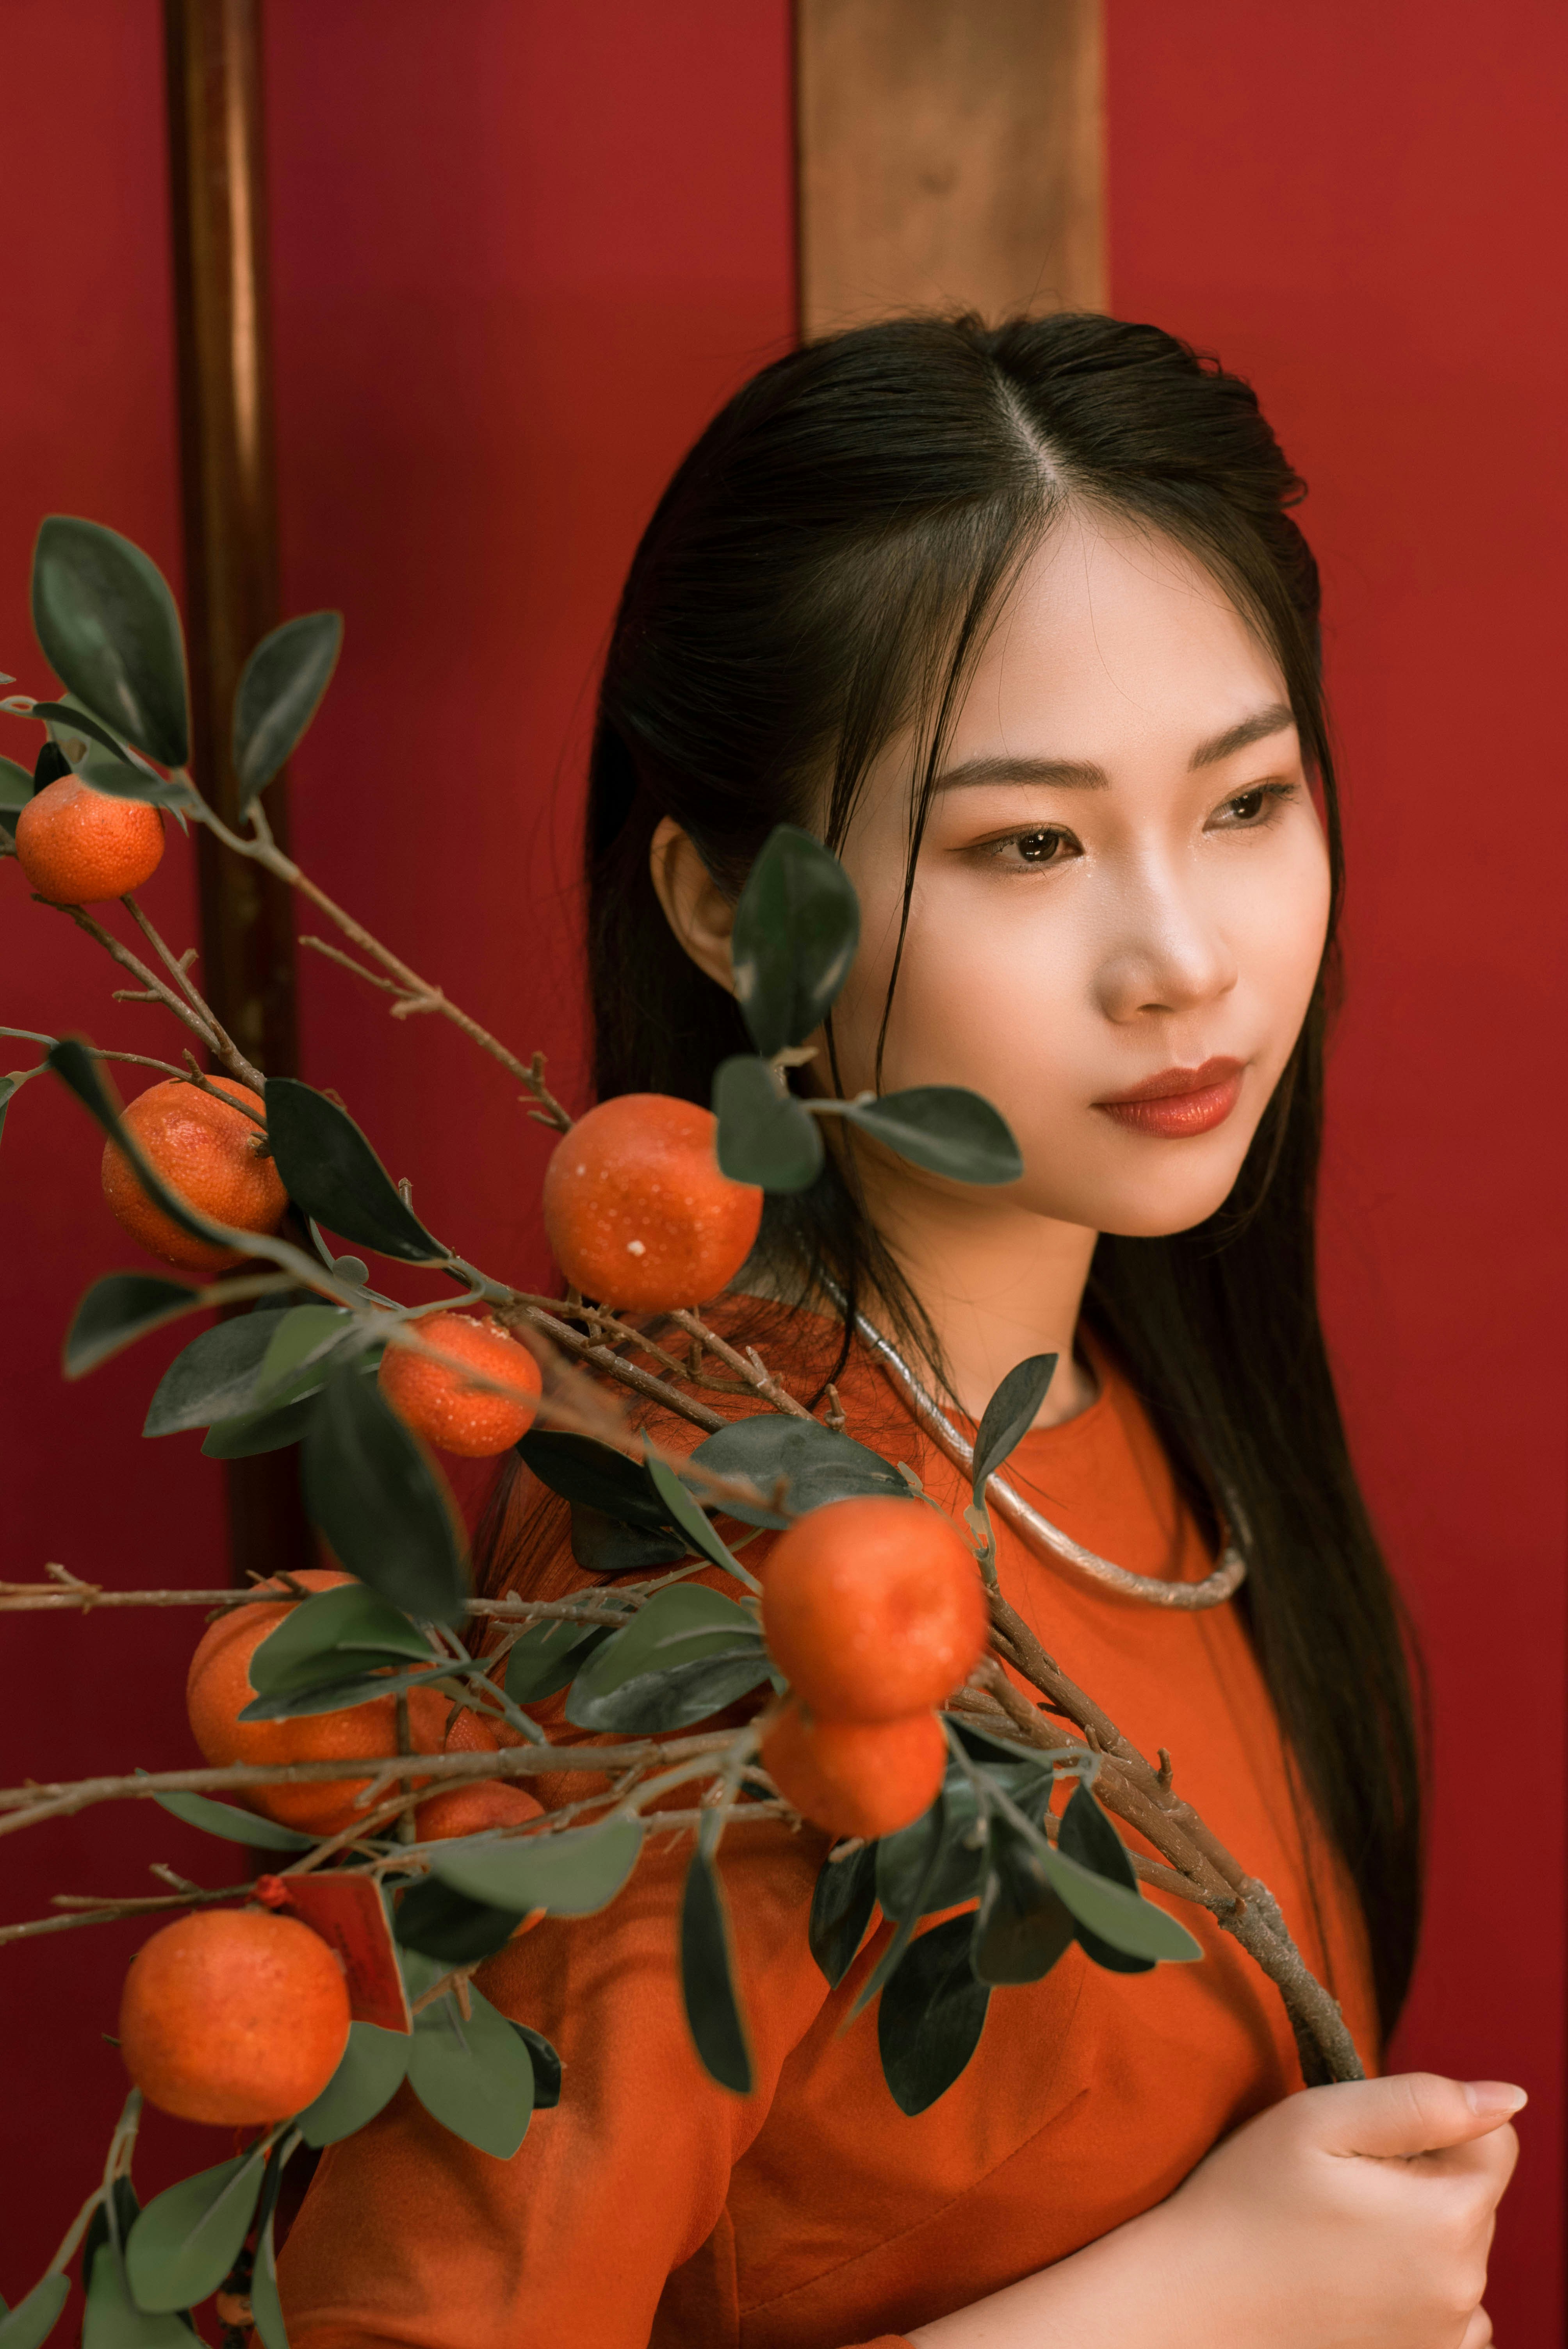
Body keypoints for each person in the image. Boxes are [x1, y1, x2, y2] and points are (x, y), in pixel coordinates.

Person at [280, 314, 1521, 2348]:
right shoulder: (720, 1580)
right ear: (716, 907)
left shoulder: (1134, 1388)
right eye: (1026, 843)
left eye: (1246, 802)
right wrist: (1189, 2306)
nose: (1185, 957)